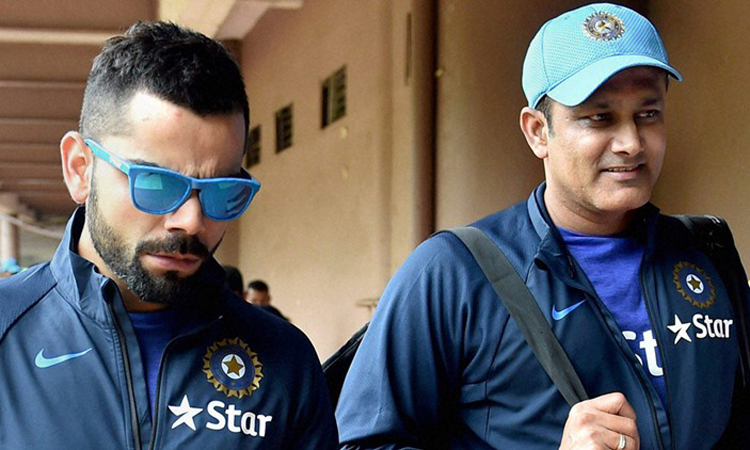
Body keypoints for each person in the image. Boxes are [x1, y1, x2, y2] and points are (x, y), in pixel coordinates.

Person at [336, 3, 749, 449]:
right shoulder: (455, 272)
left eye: (648, 114)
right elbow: (360, 444)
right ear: (537, 131)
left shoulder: (707, 252)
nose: (631, 143)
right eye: (600, 117)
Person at [0, 22, 337, 449]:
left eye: (222, 192)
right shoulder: (7, 333)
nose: (192, 221)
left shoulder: (284, 362)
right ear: (80, 169)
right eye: (157, 184)